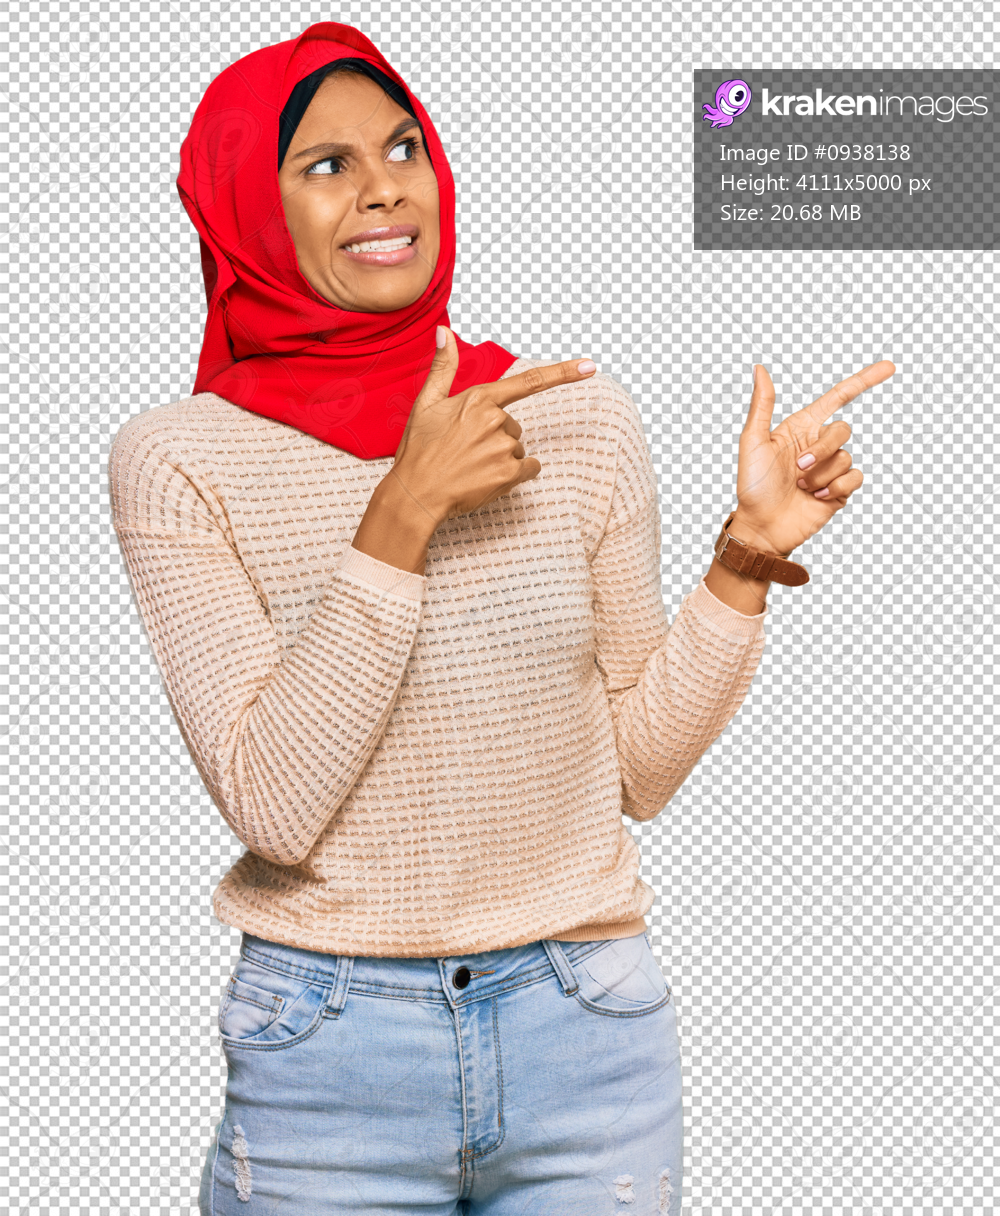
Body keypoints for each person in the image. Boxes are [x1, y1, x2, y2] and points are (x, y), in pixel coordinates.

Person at [107, 21, 894, 1216]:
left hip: (585, 1032)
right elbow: (273, 803)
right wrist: (399, 517)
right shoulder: (178, 460)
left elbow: (634, 770)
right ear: (245, 212)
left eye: (402, 147)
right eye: (324, 165)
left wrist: (744, 561)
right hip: (329, 1051)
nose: (382, 187)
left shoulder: (574, 418)